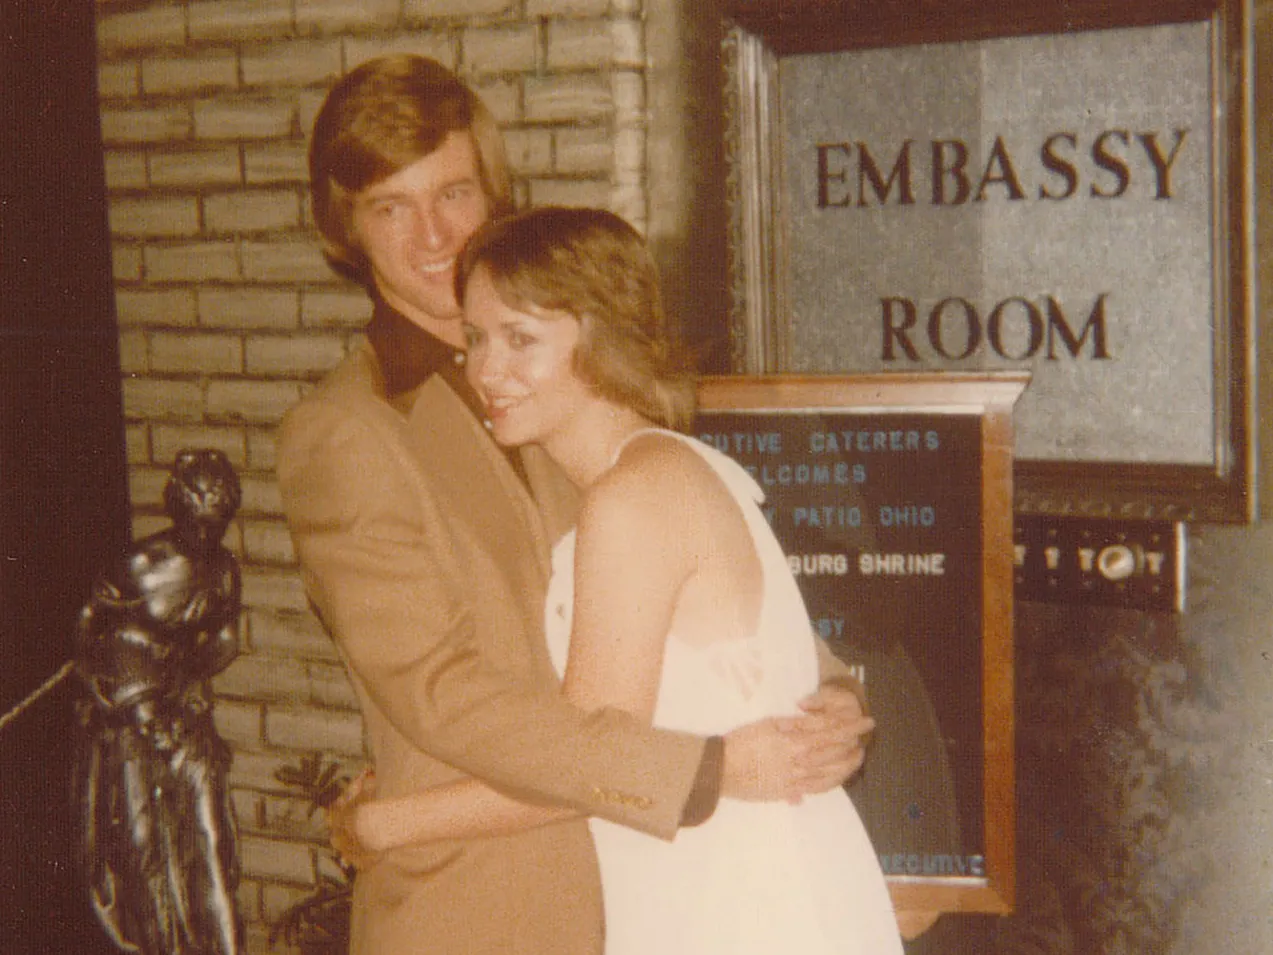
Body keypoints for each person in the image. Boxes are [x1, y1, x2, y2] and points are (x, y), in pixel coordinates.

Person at [277, 54, 876, 955]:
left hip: (668, 888)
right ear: (344, 229)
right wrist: (709, 767)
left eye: (453, 193)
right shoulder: (345, 434)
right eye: (389, 207)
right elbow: (449, 698)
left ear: (495, 194)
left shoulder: (571, 387)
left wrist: (824, 692)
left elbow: (707, 592)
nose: (431, 235)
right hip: (493, 902)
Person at [75, 448, 244, 955]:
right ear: (178, 510)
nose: (205, 538)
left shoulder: (223, 570)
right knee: (143, 850)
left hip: (181, 714)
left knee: (209, 841)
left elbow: (225, 640)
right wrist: (103, 685)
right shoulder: (140, 564)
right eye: (198, 524)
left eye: (216, 527)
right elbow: (89, 626)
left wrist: (183, 676)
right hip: (131, 722)